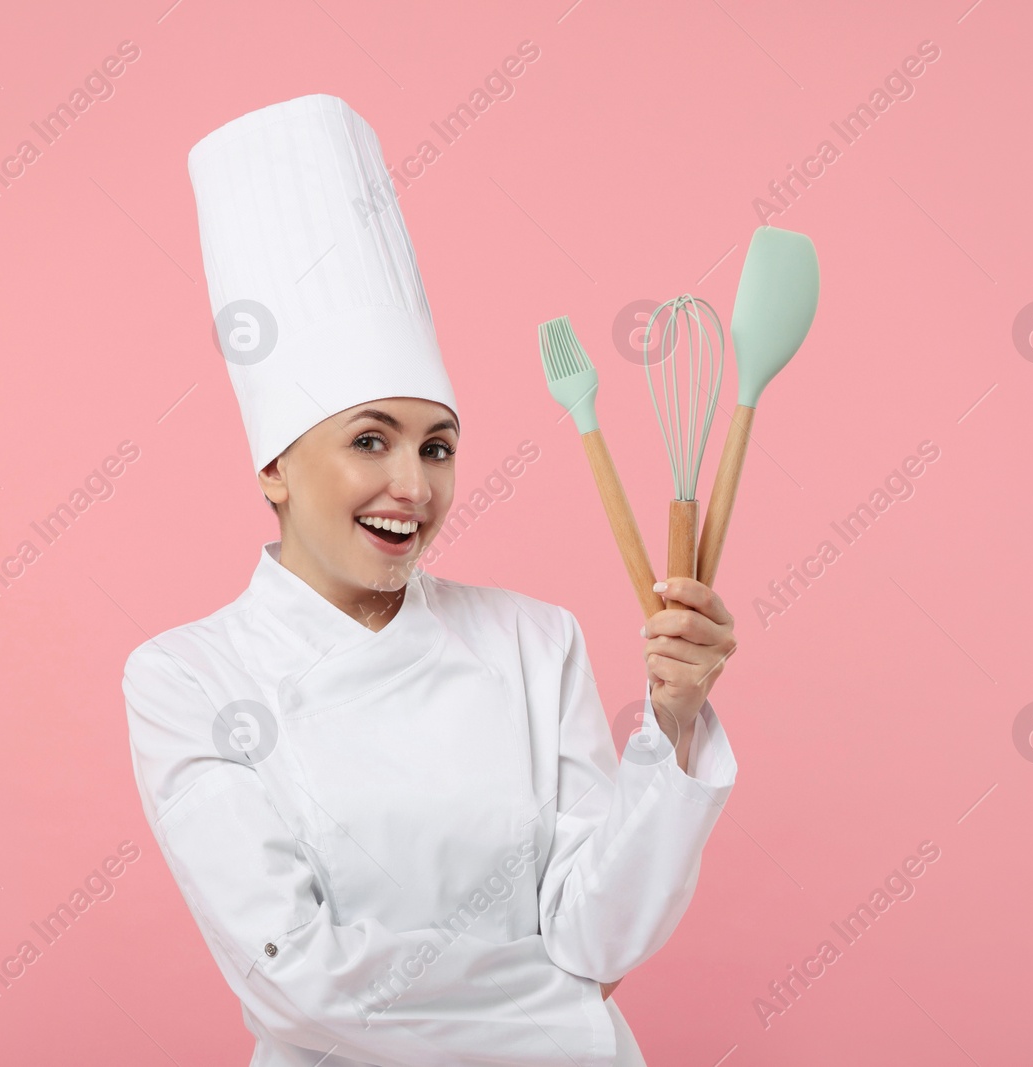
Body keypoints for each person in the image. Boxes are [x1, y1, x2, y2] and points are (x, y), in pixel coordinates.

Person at [123, 93, 738, 1067]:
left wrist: (672, 719)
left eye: (437, 445)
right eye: (370, 439)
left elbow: (597, 934)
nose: (413, 486)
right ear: (273, 468)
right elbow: (298, 986)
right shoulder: (188, 675)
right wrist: (572, 1014)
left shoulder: (536, 639)